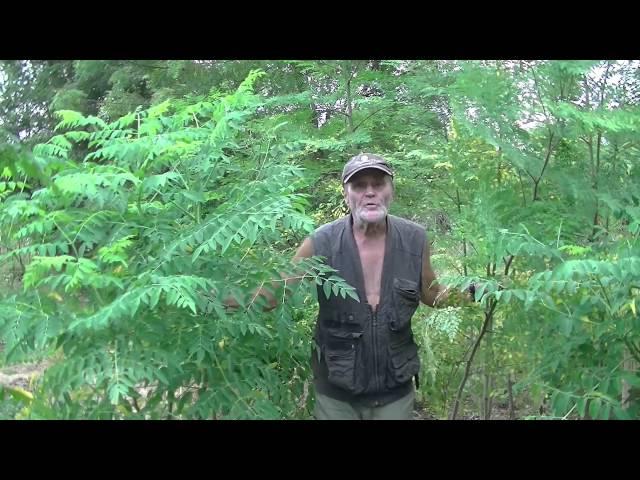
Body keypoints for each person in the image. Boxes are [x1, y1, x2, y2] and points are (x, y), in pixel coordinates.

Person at [226, 153, 466, 420]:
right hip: (336, 393)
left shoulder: (415, 239)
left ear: (391, 191)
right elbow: (271, 296)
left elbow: (431, 293)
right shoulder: (321, 243)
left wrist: (474, 292)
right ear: (346, 194)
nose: (370, 192)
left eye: (379, 184)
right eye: (360, 186)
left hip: (395, 389)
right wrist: (204, 295)